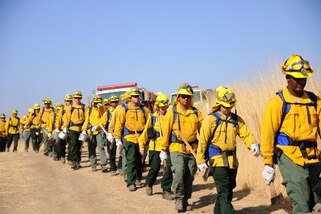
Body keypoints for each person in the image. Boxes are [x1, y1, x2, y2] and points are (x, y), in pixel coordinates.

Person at [261, 54, 321, 213]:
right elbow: (267, 132)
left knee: (317, 202)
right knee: (301, 201)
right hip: (290, 156)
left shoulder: (315, 101)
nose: (301, 82)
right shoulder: (278, 102)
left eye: (304, 78)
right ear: (288, 78)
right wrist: (268, 163)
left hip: (313, 156)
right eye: (297, 78)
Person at [196, 86, 260, 214]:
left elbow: (246, 133)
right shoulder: (210, 120)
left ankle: (218, 211)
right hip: (216, 160)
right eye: (225, 106)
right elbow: (202, 140)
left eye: (230, 106)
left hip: (232, 161)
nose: (227, 109)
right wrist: (200, 160)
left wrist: (252, 144)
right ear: (219, 104)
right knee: (224, 189)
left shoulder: (236, 120)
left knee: (229, 188)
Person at [160, 83, 203, 212]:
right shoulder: (171, 112)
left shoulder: (196, 113)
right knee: (179, 170)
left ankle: (185, 200)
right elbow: (166, 131)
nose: (186, 99)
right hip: (176, 148)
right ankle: (178, 198)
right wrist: (163, 150)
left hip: (192, 149)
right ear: (178, 98)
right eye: (183, 96)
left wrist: (203, 151)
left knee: (190, 173)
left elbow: (203, 132)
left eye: (188, 97)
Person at [138, 93, 174, 200]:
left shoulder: (170, 116)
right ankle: (149, 183)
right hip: (155, 147)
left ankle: (166, 190)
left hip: (167, 147)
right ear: (157, 106)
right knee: (154, 168)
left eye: (165, 106)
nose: (163, 108)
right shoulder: (152, 117)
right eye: (161, 106)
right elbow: (144, 133)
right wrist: (142, 145)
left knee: (167, 169)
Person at [114, 87, 151, 191]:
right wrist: (117, 138)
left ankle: (138, 179)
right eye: (134, 96)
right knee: (131, 160)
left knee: (141, 160)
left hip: (142, 138)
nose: (137, 98)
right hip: (129, 138)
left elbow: (150, 123)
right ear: (129, 98)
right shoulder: (123, 109)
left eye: (138, 96)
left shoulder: (144, 110)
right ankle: (131, 182)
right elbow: (119, 124)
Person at [62, 91, 89, 170]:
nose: (77, 99)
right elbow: (67, 118)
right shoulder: (70, 107)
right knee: (73, 145)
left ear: (81, 98)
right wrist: (65, 127)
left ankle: (78, 161)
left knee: (79, 146)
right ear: (74, 98)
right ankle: (74, 162)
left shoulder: (84, 107)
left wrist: (84, 129)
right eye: (76, 98)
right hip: (72, 129)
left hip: (81, 129)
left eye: (79, 98)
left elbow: (86, 119)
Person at [83, 95, 108, 172]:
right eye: (96, 102)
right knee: (91, 148)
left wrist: (100, 107)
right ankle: (93, 164)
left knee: (101, 147)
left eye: (99, 102)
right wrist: (84, 129)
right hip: (90, 131)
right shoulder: (89, 110)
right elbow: (87, 120)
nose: (97, 104)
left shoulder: (102, 110)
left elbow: (104, 118)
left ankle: (103, 164)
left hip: (99, 131)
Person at [105, 95, 122, 176]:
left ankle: (121, 167)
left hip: (121, 134)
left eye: (116, 102)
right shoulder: (107, 112)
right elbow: (102, 122)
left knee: (122, 152)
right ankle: (112, 168)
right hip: (111, 135)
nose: (114, 103)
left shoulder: (122, 110)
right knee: (112, 152)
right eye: (112, 102)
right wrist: (108, 133)